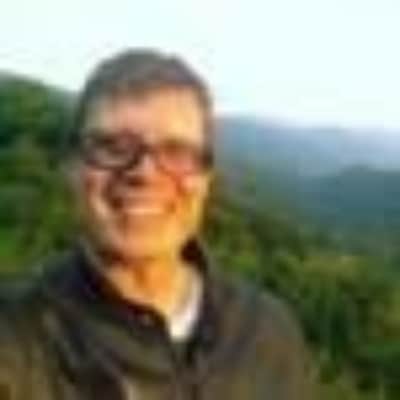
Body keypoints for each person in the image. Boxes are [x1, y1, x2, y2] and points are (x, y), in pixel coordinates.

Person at [0, 49, 311, 399]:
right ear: (72, 167)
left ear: (206, 179)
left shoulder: (268, 331)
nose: (144, 173)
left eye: (176, 151)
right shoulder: (16, 338)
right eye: (113, 147)